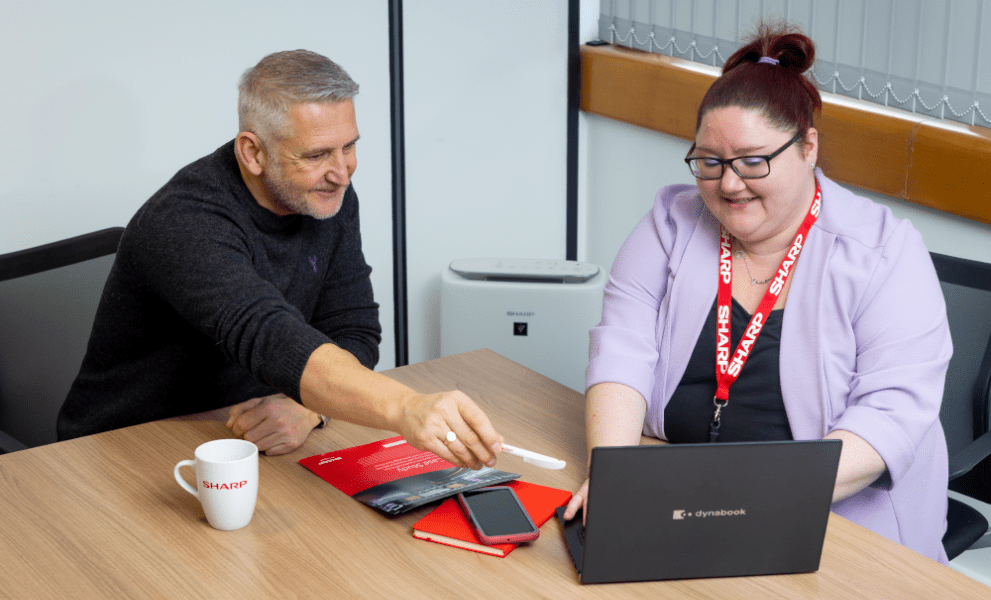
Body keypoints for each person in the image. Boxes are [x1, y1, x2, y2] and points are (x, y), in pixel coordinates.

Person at [563, 24, 952, 563]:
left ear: (808, 146)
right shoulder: (672, 222)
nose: (728, 184)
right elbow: (621, 352)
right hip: (683, 510)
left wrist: (736, 500)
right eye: (709, 162)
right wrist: (617, 480)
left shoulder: (885, 254)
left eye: (752, 162)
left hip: (837, 531)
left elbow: (892, 417)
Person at [57, 50, 502, 469]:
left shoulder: (326, 194)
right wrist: (406, 407)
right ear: (253, 152)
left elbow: (354, 330)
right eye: (317, 154)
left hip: (244, 443)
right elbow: (268, 334)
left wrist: (307, 408)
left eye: (349, 146)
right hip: (122, 448)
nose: (342, 171)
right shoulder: (184, 219)